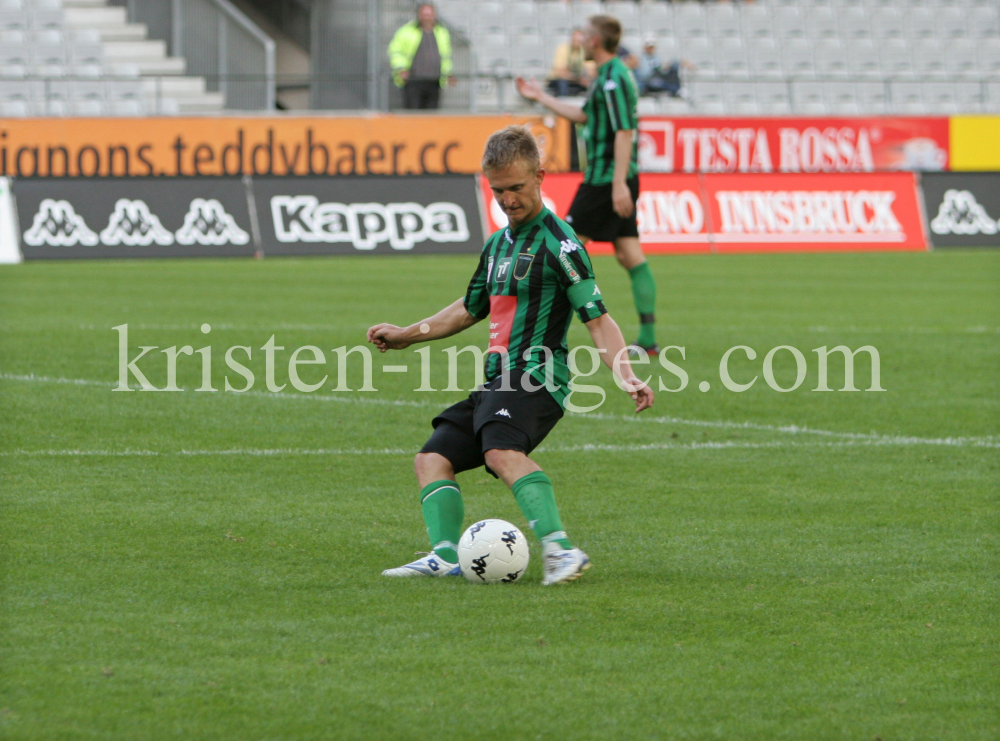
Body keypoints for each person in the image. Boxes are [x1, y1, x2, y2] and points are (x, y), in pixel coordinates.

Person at [368, 126, 654, 586]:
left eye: (517, 188)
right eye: (498, 190)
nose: (508, 199)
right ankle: (444, 555)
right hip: (497, 379)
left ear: (540, 176)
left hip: (537, 376)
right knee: (432, 459)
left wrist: (626, 373)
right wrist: (407, 334)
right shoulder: (498, 245)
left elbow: (598, 318)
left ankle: (561, 549)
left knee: (502, 451)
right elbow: (468, 309)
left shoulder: (561, 245)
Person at [516, 15, 660, 356]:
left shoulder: (614, 79)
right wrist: (540, 96)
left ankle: (539, 337)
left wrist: (618, 185)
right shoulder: (606, 77)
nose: (580, 42)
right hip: (611, 179)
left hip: (605, 181)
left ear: (595, 41)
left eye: (585, 37)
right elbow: (584, 116)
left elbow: (625, 131)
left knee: (561, 250)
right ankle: (649, 339)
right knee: (629, 255)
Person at [388, 3, 454, 110]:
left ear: (434, 15)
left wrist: (448, 73)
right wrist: (401, 68)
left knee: (431, 117)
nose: (427, 17)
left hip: (434, 81)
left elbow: (446, 56)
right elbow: (395, 52)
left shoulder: (441, 32)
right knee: (413, 115)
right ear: (419, 15)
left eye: (429, 14)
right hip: (413, 81)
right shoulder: (406, 31)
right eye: (424, 14)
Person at [547, 28, 594, 97]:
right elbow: (560, 72)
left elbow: (592, 71)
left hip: (577, 81)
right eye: (575, 40)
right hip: (558, 80)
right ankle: (563, 103)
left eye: (579, 41)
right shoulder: (563, 48)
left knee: (593, 83)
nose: (577, 42)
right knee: (562, 82)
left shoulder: (584, 50)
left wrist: (587, 79)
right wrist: (578, 79)